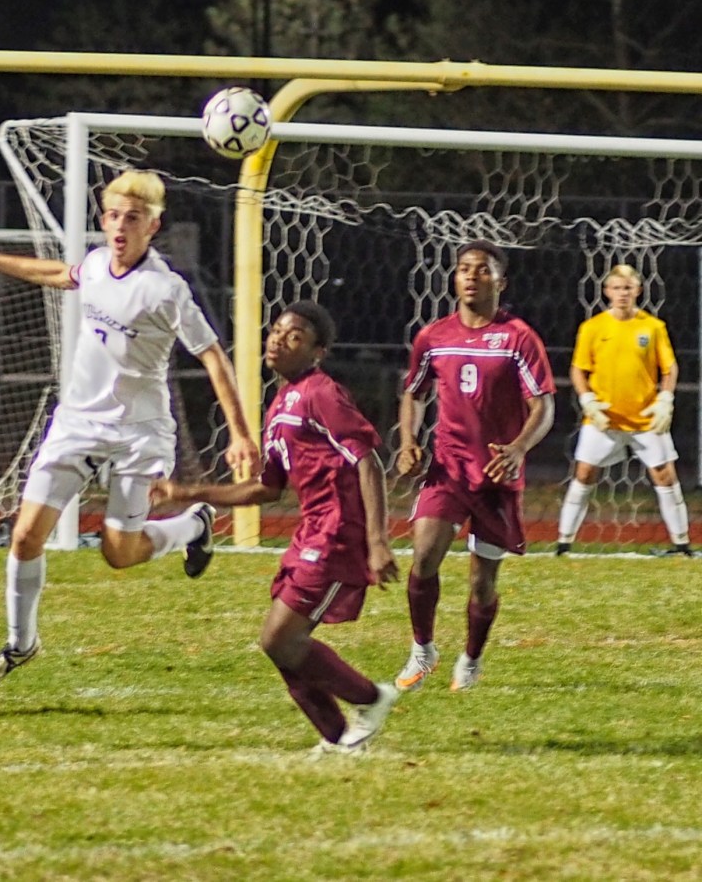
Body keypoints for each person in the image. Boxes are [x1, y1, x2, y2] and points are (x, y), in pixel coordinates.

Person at [0, 169, 259, 691]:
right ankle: (20, 643)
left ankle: (193, 526)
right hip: (77, 424)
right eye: (113, 216)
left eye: (132, 218)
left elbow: (212, 355)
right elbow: (62, 274)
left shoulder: (165, 290)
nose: (120, 226)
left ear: (153, 226)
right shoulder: (97, 264)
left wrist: (241, 433)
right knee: (25, 535)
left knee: (119, 553)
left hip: (140, 434)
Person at [152, 301, 399, 754]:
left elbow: (368, 461)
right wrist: (188, 491)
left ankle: (371, 698)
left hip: (339, 532)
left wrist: (377, 542)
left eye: (295, 336)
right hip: (312, 530)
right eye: (277, 331)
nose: (279, 340)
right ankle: (338, 738)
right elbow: (266, 488)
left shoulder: (322, 394)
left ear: (317, 352)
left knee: (280, 638)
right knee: (279, 643)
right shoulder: (282, 403)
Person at [394, 240, 555, 693]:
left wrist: (518, 448)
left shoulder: (518, 338)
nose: (470, 276)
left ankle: (471, 657)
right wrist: (408, 441)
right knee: (424, 556)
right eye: (464, 268)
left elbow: (543, 406)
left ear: (501, 282)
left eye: (482, 269)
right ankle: (422, 650)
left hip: (497, 475)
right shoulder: (433, 337)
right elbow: (414, 393)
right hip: (448, 468)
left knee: (482, 580)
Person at [555, 264, 692, 556]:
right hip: (603, 419)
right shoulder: (592, 328)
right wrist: (587, 400)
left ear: (638, 290)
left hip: (645, 419)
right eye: (617, 288)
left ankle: (681, 545)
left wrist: (665, 399)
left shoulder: (653, 327)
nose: (622, 293)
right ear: (606, 291)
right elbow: (578, 369)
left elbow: (669, 368)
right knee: (584, 473)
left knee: (665, 475)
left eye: (628, 288)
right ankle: (563, 544)